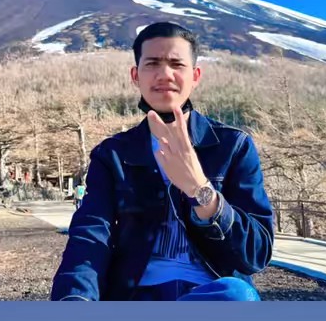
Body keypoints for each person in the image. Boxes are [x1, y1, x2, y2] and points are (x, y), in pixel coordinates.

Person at [50, 21, 274, 301]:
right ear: (136, 75)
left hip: (212, 295)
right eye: (152, 63)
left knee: (236, 295)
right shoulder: (113, 155)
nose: (165, 74)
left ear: (195, 76)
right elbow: (90, 237)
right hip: (135, 296)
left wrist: (201, 190)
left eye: (176, 64)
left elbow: (257, 254)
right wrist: (75, 300)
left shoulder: (233, 147)